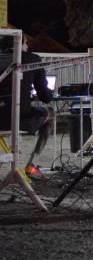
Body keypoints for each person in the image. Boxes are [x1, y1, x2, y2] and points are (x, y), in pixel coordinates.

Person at [0, 37, 53, 176]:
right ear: (19, 42)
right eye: (26, 42)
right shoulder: (32, 59)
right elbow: (45, 96)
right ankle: (32, 165)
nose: (27, 46)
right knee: (50, 113)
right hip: (18, 119)